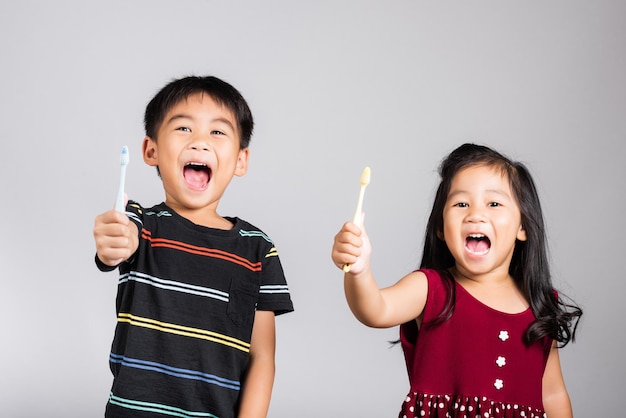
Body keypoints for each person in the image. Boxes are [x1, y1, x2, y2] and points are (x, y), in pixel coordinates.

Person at [93, 75, 294, 418]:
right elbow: (117, 243)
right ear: (151, 150)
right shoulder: (139, 223)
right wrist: (114, 240)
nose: (200, 143)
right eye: (184, 128)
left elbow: (262, 356)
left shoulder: (258, 250)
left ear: (241, 160)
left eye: (217, 132)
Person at [331, 143, 581, 418]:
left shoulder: (540, 304)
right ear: (440, 227)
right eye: (461, 204)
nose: (475, 214)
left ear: (523, 226)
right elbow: (375, 309)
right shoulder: (431, 288)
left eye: (494, 203)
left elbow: (553, 393)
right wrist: (359, 270)